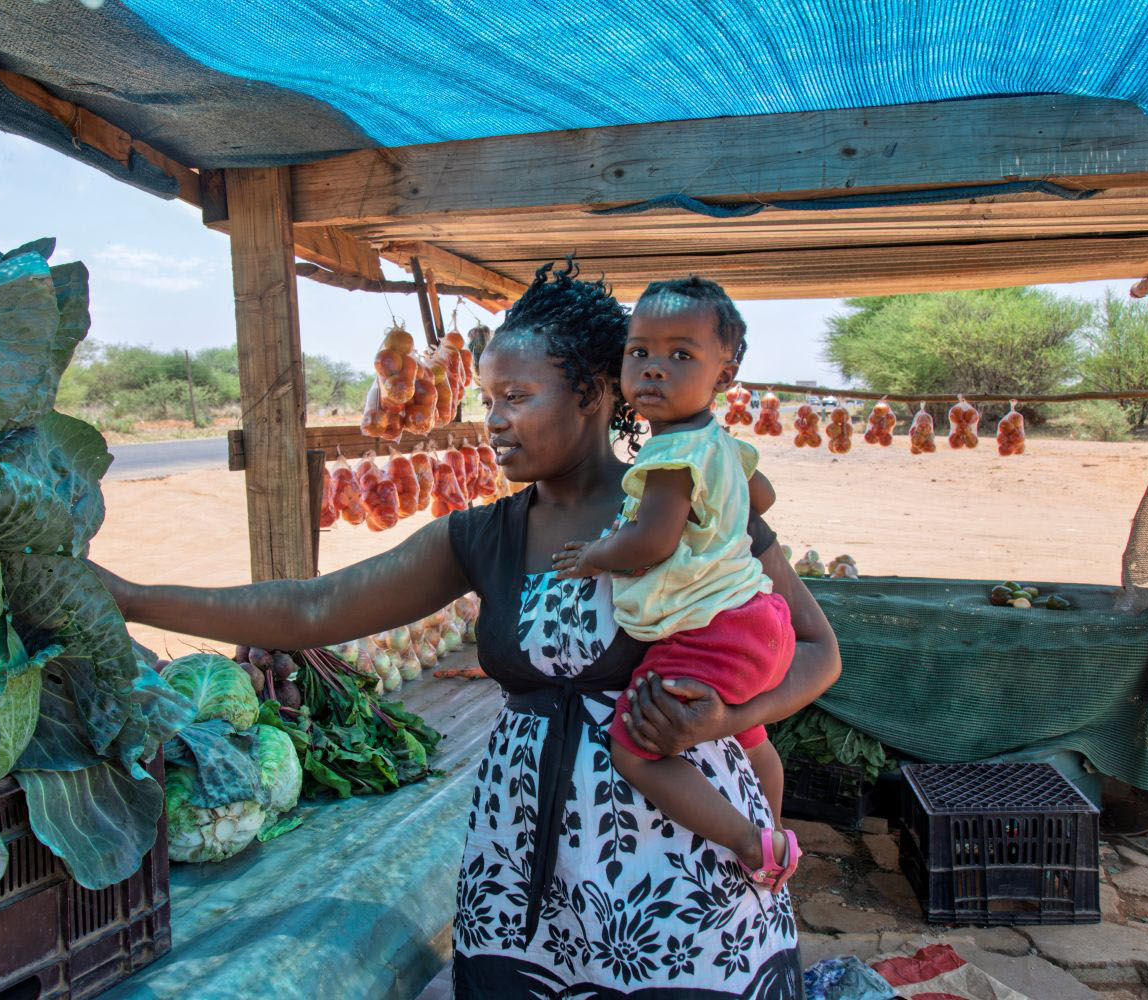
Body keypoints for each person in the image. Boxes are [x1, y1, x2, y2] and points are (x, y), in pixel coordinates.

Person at [92, 260, 840, 997]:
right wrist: (131, 597)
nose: (495, 422)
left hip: (682, 873)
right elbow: (311, 609)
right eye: (488, 399)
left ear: (593, 393)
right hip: (522, 876)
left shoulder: (703, 500)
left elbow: (816, 650)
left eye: (517, 396)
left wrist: (732, 716)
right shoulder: (483, 538)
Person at [550, 277, 799, 889]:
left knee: (637, 750)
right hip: (760, 618)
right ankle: (772, 822)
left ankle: (749, 841)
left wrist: (597, 555)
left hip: (710, 631)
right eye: (640, 353)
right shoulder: (722, 445)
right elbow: (761, 497)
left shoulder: (667, 457)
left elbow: (653, 542)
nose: (654, 370)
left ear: (726, 372)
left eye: (681, 355)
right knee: (751, 737)